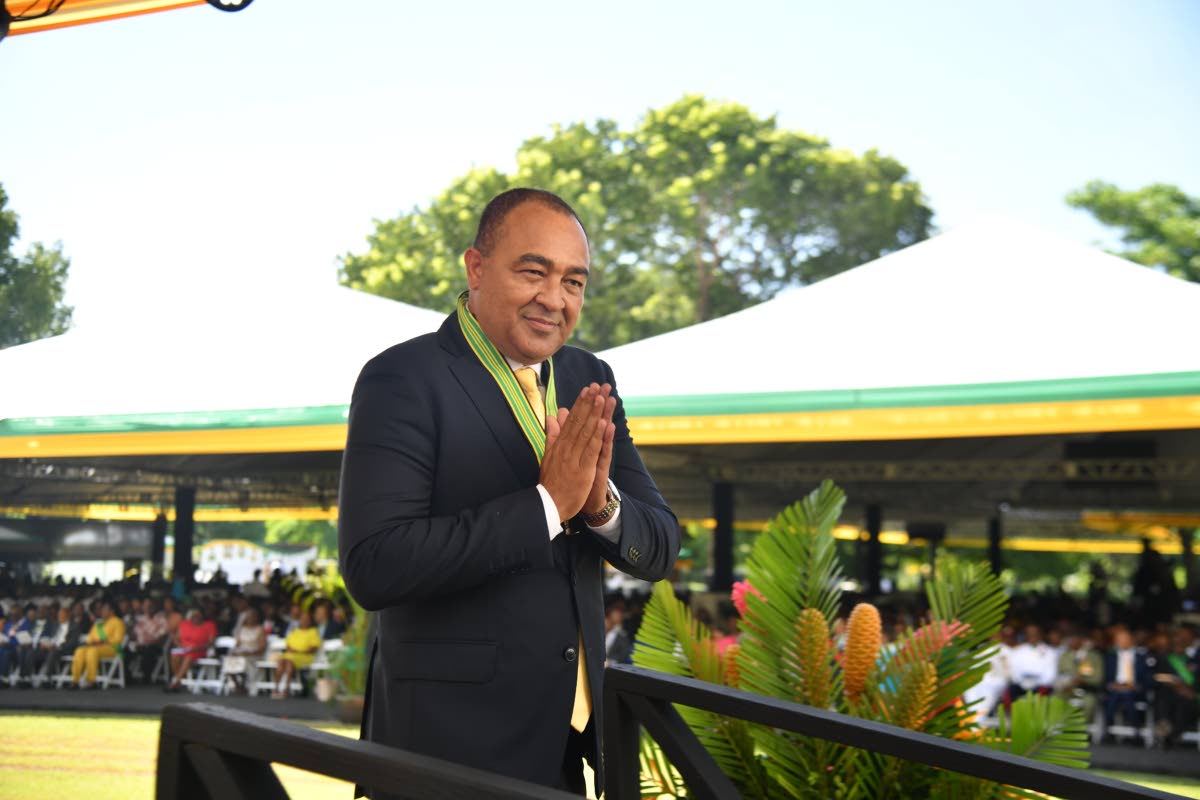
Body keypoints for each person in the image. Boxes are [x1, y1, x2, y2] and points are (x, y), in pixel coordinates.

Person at [338, 188, 679, 797]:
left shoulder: (588, 377)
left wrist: (598, 506)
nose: (555, 298)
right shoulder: (403, 377)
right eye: (533, 272)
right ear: (476, 268)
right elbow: (375, 565)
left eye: (574, 282)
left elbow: (659, 546)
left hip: (567, 747)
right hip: (442, 754)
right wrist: (547, 506)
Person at [1151, 628, 1200, 748]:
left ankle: (1172, 734)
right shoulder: (1164, 658)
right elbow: (1156, 677)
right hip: (1169, 692)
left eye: (1183, 642)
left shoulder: (1194, 660)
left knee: (1185, 704)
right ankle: (1164, 726)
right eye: (1177, 642)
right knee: (1163, 699)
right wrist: (1175, 684)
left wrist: (1189, 689)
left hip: (1190, 696)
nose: (1179, 644)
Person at [69, 601, 126, 688]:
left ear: (112, 611)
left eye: (104, 610)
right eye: (102, 610)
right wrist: (90, 642)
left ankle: (91, 680)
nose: (102, 612)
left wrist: (102, 642)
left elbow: (118, 639)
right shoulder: (98, 624)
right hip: (95, 647)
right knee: (79, 651)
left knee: (92, 651)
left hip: (111, 648)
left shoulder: (118, 622)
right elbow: (90, 638)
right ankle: (75, 680)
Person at [1104, 627, 1149, 731]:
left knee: (1127, 695)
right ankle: (1108, 727)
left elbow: (1146, 677)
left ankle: (1135, 728)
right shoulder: (1111, 656)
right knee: (1112, 697)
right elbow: (1106, 677)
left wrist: (1136, 686)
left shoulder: (1141, 656)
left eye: (1124, 639)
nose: (1121, 642)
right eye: (1118, 639)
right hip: (1116, 687)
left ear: (1131, 639)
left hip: (1134, 688)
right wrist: (1112, 685)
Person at [1054, 629, 1103, 723]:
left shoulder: (1093, 656)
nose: (1071, 641)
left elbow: (1098, 679)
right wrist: (1064, 684)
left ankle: (1081, 728)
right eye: (1070, 639)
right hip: (1067, 690)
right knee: (1055, 699)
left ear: (1081, 640)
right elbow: (1059, 675)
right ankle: (1060, 726)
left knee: (1089, 704)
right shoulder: (1064, 656)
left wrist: (1084, 680)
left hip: (1087, 691)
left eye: (1074, 639)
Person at [272, 609, 321, 699]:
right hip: (290, 655)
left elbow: (313, 648)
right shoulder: (295, 631)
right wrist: (292, 650)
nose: (304, 621)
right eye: (302, 619)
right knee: (281, 662)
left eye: (306, 619)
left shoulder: (313, 631)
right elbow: (288, 645)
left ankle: (286, 689)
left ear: (310, 621)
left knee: (289, 662)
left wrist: (298, 651)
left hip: (305, 656)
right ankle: (276, 688)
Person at [166, 607, 216, 692]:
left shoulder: (209, 625)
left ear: (202, 616)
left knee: (189, 657)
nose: (195, 617)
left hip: (199, 650)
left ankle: (175, 683)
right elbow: (176, 639)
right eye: (193, 615)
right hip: (184, 648)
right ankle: (179, 680)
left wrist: (198, 647)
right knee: (174, 655)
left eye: (197, 615)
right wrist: (180, 645)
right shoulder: (184, 624)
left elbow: (211, 642)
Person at [222, 608, 267, 694]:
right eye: (248, 617)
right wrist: (235, 652)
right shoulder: (241, 629)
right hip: (241, 652)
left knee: (243, 660)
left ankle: (243, 684)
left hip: (254, 654)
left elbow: (262, 647)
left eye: (252, 617)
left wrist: (249, 653)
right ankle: (238, 685)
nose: (250, 619)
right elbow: (237, 644)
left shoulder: (260, 629)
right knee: (229, 659)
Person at [1008, 624, 1058, 701]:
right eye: (1029, 633)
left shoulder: (1050, 651)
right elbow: (1014, 670)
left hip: (1041, 686)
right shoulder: (1018, 651)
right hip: (1021, 686)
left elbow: (1050, 673)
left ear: (1040, 634)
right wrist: (1023, 683)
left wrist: (1037, 683)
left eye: (1034, 633)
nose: (1032, 636)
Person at [20, 604, 62, 683]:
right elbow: (29, 635)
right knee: (22, 650)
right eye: (39, 611)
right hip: (31, 647)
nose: (40, 613)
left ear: (47, 613)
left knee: (30, 652)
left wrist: (44, 643)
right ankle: (23, 676)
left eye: (43, 611)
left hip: (43, 649)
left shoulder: (52, 624)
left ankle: (27, 678)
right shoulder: (33, 623)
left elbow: (54, 637)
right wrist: (26, 642)